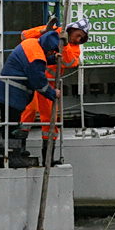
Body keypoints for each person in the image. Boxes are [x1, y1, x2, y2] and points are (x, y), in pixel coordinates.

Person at [19, 17, 90, 165]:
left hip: (49, 85)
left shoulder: (73, 47)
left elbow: (70, 62)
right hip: (33, 80)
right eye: (78, 35)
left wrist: (64, 45)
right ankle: (20, 151)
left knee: (50, 119)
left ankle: (47, 158)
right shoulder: (53, 31)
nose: (78, 39)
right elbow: (24, 36)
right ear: (71, 29)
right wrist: (44, 30)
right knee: (26, 114)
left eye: (81, 38)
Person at [0, 28, 61, 168]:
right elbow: (38, 81)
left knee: (11, 125)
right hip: (11, 94)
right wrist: (53, 94)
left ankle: (13, 154)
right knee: (11, 127)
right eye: (51, 52)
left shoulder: (32, 43)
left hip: (6, 91)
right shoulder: (37, 57)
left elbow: (35, 60)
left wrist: (52, 59)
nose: (50, 53)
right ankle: (13, 157)